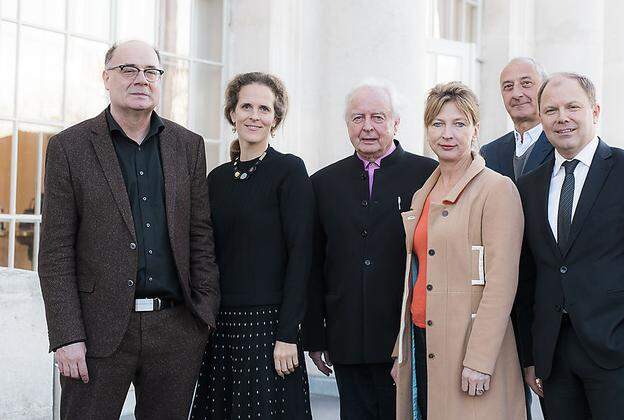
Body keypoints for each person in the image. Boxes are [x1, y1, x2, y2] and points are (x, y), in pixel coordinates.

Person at [38, 40, 219, 419]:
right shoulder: (69, 147)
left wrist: (203, 317)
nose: (141, 79)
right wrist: (67, 335)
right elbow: (56, 252)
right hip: (96, 334)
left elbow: (200, 237)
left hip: (176, 331)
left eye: (151, 71)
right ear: (106, 78)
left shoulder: (188, 146)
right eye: (128, 69)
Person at [516, 72, 624, 419]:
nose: (562, 117)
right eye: (551, 110)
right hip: (554, 361)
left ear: (594, 111)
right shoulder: (529, 186)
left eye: (572, 107)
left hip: (619, 354)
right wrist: (530, 357)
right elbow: (528, 276)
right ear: (542, 118)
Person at [391, 81, 526, 420]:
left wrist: (480, 359)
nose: (446, 133)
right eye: (437, 124)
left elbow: (501, 283)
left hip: (467, 346)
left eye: (459, 123)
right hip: (422, 338)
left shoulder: (496, 189)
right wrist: (402, 351)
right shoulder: (424, 192)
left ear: (475, 130)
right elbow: (415, 274)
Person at [303, 80, 437, 419]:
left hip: (406, 337)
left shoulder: (429, 175)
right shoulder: (322, 183)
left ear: (396, 123)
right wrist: (316, 337)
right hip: (346, 335)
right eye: (357, 117)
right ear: (347, 124)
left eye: (378, 117)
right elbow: (314, 264)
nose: (367, 127)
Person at [190, 72, 313, 419]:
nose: (254, 116)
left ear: (275, 119)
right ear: (232, 113)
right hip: (221, 327)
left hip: (269, 328)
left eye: (264, 108)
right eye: (246, 106)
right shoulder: (216, 179)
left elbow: (301, 255)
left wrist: (288, 334)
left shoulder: (289, 170)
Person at [480, 56, 553, 419]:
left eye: (526, 83)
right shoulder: (489, 154)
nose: (517, 93)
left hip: (551, 299)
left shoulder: (563, 145)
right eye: (507, 87)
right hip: (503, 304)